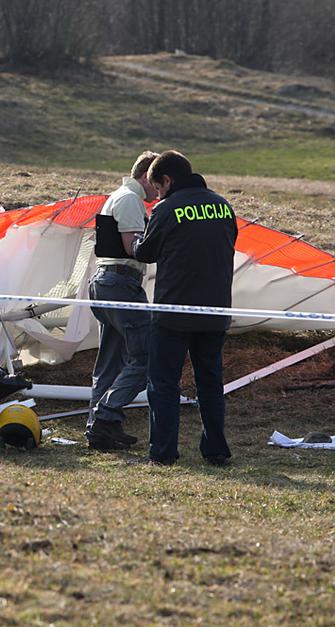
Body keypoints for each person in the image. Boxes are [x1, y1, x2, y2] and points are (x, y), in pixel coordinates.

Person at [133, 150, 238, 466]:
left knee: (163, 382)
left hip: (173, 312)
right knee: (210, 382)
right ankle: (216, 450)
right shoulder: (222, 206)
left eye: (158, 188)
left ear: (167, 180)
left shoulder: (168, 208)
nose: (158, 195)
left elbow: (146, 253)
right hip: (216, 310)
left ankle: (163, 453)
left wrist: (137, 239)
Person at [85, 150, 159, 450]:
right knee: (149, 355)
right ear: (146, 177)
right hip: (121, 283)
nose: (158, 190)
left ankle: (100, 428)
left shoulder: (117, 196)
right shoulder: (130, 199)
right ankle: (106, 414)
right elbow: (133, 247)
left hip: (107, 283)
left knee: (110, 362)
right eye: (156, 183)